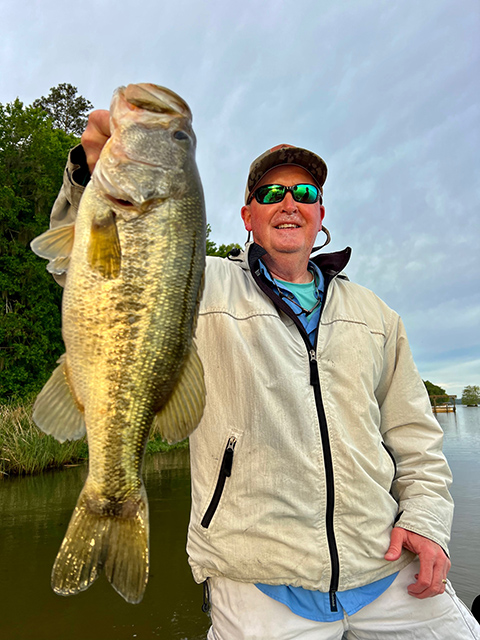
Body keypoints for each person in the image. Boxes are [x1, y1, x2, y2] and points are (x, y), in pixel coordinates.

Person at [48, 110, 480, 639]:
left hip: (389, 567)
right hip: (256, 581)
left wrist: (427, 521)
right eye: (271, 194)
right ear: (248, 216)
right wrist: (90, 180)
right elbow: (94, 271)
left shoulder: (377, 315)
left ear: (321, 213)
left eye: (303, 192)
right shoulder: (198, 282)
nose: (289, 203)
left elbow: (415, 437)